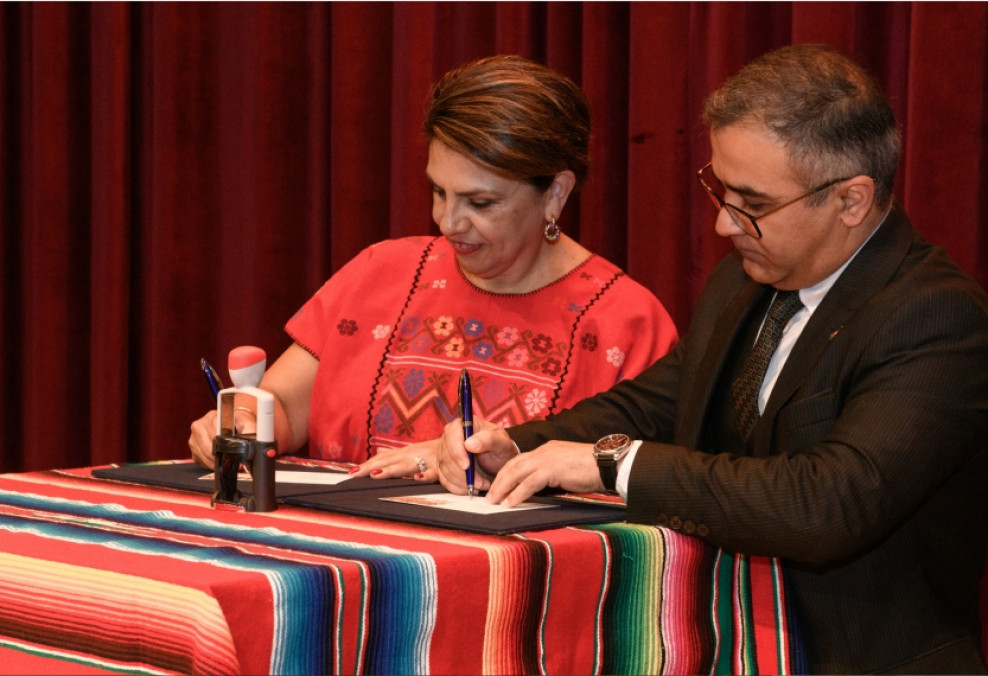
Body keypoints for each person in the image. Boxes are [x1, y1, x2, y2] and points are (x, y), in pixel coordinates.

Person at [435, 44, 988, 674]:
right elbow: (655, 405)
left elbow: (828, 504)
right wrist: (517, 446)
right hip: (720, 646)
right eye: (720, 190)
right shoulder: (744, 280)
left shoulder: (937, 318)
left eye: (753, 203)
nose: (725, 224)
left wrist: (614, 465)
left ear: (850, 201)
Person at [188, 55, 678, 473]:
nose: (448, 221)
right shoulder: (381, 271)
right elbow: (281, 408)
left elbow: (631, 483)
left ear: (555, 193)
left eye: (480, 203)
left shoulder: (626, 322)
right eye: (439, 192)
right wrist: (242, 422)